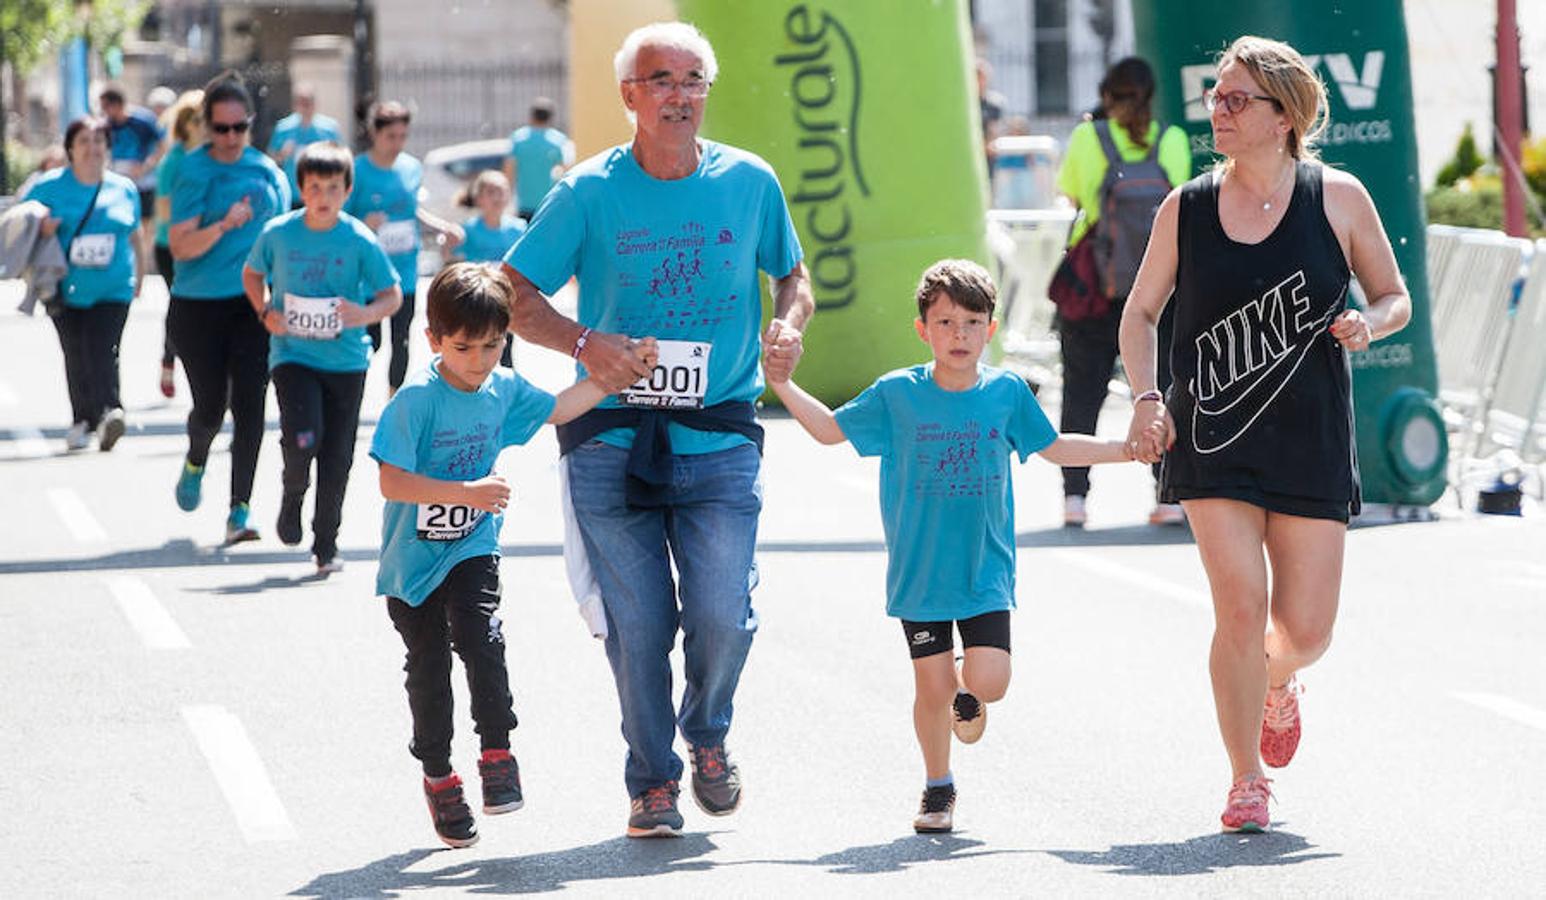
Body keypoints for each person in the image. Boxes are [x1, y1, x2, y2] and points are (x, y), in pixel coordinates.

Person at [501, 21, 814, 838]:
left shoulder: (750, 182)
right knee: (639, 625)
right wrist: (581, 342)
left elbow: (793, 275)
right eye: (661, 81)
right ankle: (652, 781)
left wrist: (790, 324)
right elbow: (514, 293)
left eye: (691, 80)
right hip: (611, 437)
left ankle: (707, 734)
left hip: (719, 433)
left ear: (706, 91)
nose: (679, 95)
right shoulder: (588, 192)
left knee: (721, 614)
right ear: (629, 97)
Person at [1118, 36, 1410, 833]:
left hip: (1312, 435)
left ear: (1284, 117)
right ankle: (1246, 777)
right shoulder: (1189, 206)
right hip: (1211, 441)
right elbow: (1140, 311)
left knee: (1306, 631)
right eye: (1215, 95)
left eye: (1236, 99)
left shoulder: (1339, 198)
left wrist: (1368, 323)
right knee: (1240, 609)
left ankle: (1276, 681)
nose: (1219, 109)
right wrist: (1148, 397)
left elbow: (1394, 296)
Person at [771, 259, 1133, 833]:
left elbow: (1056, 447)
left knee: (990, 681)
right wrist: (784, 384)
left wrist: (1125, 449)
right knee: (930, 688)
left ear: (991, 329)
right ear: (923, 330)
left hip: (984, 565)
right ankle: (938, 786)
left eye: (971, 322)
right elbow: (829, 431)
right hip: (920, 570)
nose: (958, 335)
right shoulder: (897, 395)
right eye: (944, 323)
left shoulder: (1007, 393)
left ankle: (970, 689)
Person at [371, 263, 625, 848]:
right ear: (434, 339)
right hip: (411, 566)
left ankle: (496, 752)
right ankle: (439, 775)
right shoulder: (416, 402)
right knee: (430, 671)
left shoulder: (502, 389)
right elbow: (392, 482)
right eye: (463, 347)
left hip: (471, 546)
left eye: (492, 345)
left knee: (484, 640)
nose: (479, 360)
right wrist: (467, 494)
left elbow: (558, 409)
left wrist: (612, 377)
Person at [243, 142, 402, 575]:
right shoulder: (278, 233)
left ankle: (326, 543)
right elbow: (252, 273)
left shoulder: (358, 239)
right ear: (301, 188)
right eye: (315, 187)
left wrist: (364, 313)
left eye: (333, 187)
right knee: (303, 438)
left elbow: (392, 294)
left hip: (347, 362)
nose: (324, 196)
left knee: (337, 456)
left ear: (347, 190)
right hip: (293, 354)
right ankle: (293, 492)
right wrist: (264, 311)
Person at [1054, 56, 1192, 529]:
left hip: (1095, 287)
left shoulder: (1085, 138)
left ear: (1106, 94)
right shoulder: (1172, 140)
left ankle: (1076, 498)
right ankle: (1168, 494)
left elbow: (1072, 197)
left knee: (1081, 391)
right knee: (1159, 390)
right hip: (1159, 288)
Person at [167, 73, 291, 544]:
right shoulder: (193, 172)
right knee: (211, 407)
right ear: (206, 127)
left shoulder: (268, 173)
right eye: (221, 129)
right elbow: (180, 246)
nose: (231, 138)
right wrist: (224, 225)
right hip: (198, 307)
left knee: (251, 407)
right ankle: (196, 456)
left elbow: (286, 241)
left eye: (240, 128)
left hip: (253, 304)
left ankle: (240, 510)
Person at [22, 116, 145, 451]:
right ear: (70, 150)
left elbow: (136, 236)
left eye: (99, 142)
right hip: (63, 287)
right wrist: (42, 228)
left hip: (114, 286)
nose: (92, 149)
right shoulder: (48, 185)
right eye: (84, 142)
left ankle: (109, 412)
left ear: (107, 147)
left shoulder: (124, 188)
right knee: (76, 353)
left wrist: (141, 276)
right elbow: (20, 223)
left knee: (104, 348)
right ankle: (83, 418)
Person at [346, 100, 465, 396]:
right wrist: (364, 221)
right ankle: (349, 393)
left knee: (402, 339)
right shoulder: (357, 169)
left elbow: (412, 212)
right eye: (391, 137)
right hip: (368, 275)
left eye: (403, 136)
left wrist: (442, 227)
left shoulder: (411, 167)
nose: (398, 144)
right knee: (370, 341)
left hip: (404, 270)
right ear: (375, 133)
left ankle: (393, 400)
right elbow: (340, 218)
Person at [154, 90, 205, 399]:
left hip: (204, 244)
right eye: (201, 120)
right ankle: (170, 360)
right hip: (171, 246)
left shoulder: (213, 156)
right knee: (180, 303)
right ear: (187, 124)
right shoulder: (173, 161)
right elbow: (163, 209)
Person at [449, 170, 525, 366]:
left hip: (506, 301)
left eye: (502, 191)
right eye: (492, 192)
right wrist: (447, 246)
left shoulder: (518, 229)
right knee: (480, 349)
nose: (498, 197)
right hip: (477, 302)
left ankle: (506, 390)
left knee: (505, 350)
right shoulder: (469, 230)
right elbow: (453, 262)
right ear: (479, 198)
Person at [98, 83, 165, 256]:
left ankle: (143, 258)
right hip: (117, 182)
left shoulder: (143, 121)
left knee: (144, 223)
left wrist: (145, 166)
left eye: (106, 106)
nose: (104, 111)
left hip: (143, 181)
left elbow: (161, 146)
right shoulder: (106, 125)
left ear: (117, 104)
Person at [266, 84, 344, 207]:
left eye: (309, 101)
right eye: (302, 102)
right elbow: (270, 159)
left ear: (315, 103)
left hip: (323, 194)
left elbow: (342, 160)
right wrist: (282, 154)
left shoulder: (329, 128)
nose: (306, 106)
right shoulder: (283, 128)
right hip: (294, 194)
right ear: (295, 104)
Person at [503, 97, 575, 220]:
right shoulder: (559, 140)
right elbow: (567, 170)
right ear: (551, 118)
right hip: (549, 203)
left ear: (531, 116)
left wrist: (507, 199)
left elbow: (509, 171)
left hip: (524, 204)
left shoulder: (518, 138)